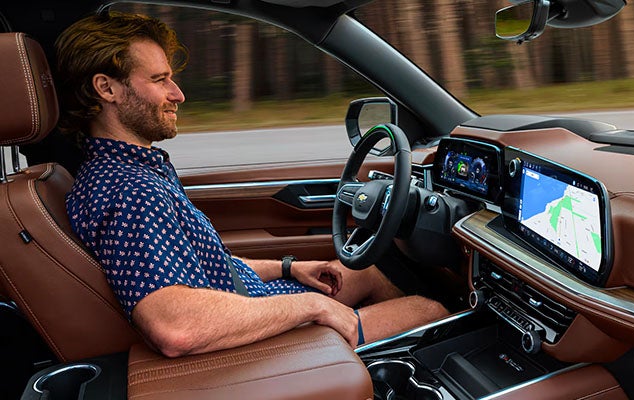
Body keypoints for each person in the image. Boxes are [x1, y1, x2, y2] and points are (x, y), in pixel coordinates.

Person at [58, 11, 448, 357]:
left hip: (241, 303)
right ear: (106, 88)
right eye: (160, 80)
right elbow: (175, 327)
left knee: (366, 271)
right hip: (242, 339)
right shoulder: (129, 190)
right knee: (427, 313)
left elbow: (204, 266)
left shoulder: (132, 170)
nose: (178, 94)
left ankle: (369, 365)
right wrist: (315, 308)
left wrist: (289, 268)